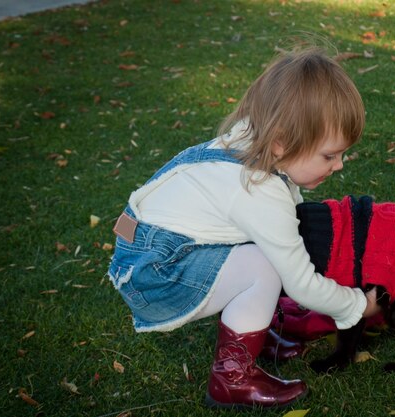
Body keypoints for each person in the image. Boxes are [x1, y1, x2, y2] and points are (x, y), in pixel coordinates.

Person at [107, 47, 380, 409]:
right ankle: (232, 378)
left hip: (149, 250)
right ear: (281, 142)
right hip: (154, 274)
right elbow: (299, 280)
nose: (339, 165)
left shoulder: (252, 141)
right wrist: (358, 305)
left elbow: (289, 225)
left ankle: (251, 331)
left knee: (263, 254)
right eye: (329, 155)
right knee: (264, 266)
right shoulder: (258, 189)